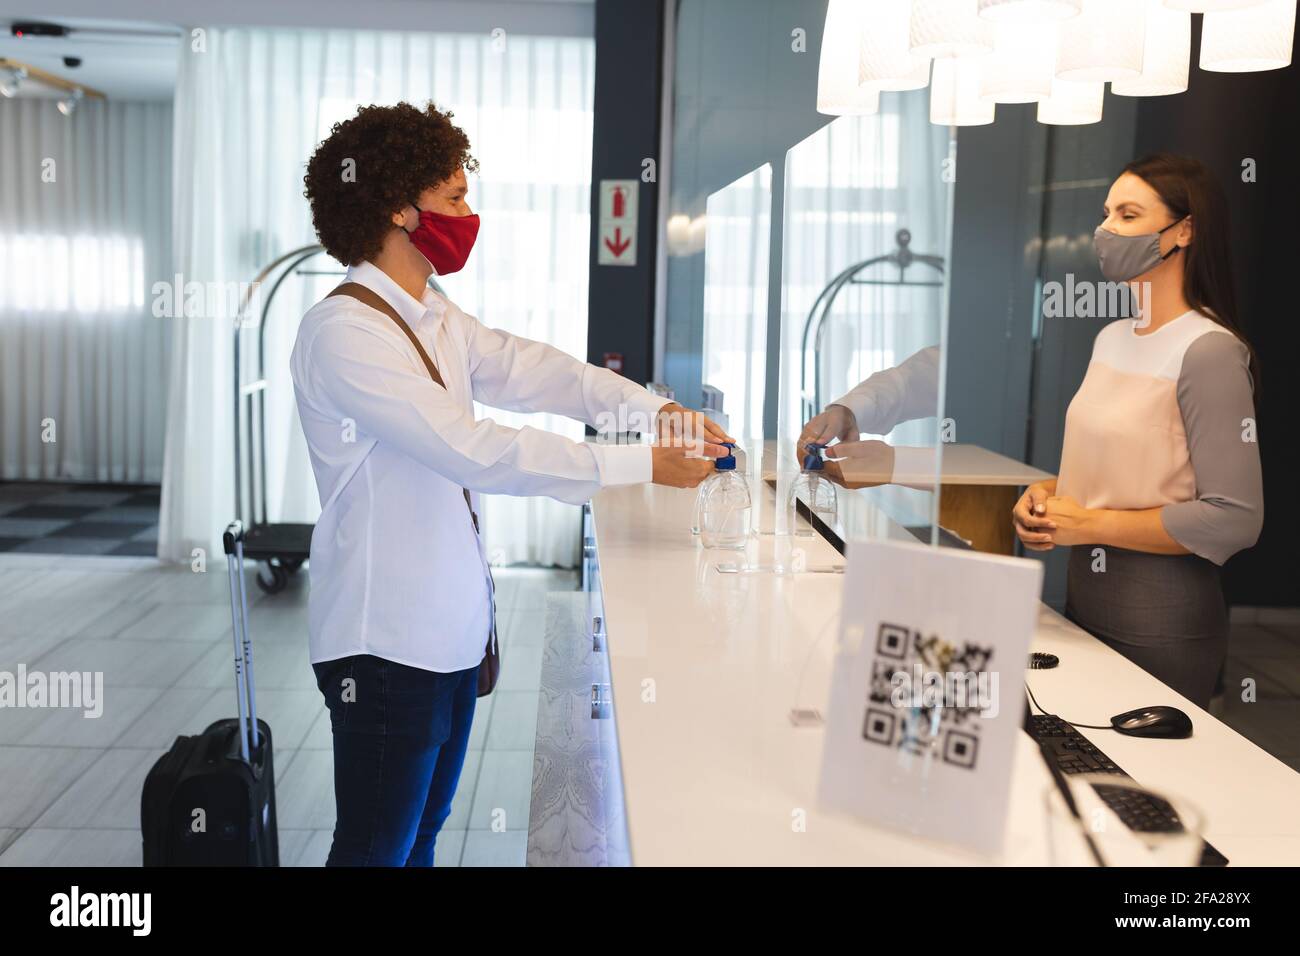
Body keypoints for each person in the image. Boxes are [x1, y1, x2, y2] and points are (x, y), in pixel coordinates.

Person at [293, 102, 730, 866]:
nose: (469, 215)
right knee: (374, 849)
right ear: (400, 207)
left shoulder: (431, 312)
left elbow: (532, 371)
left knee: (421, 837)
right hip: (385, 645)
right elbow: (473, 450)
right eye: (454, 198)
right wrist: (638, 466)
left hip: (452, 634)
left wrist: (654, 413)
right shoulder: (345, 333)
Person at [1013, 153, 1263, 708]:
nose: (1106, 231)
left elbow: (1235, 517)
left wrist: (1092, 523)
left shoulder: (1209, 351)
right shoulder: (1111, 337)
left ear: (1185, 230)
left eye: (1128, 215)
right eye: (1107, 214)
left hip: (1163, 621)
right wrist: (1048, 495)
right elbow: (1128, 468)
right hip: (1083, 601)